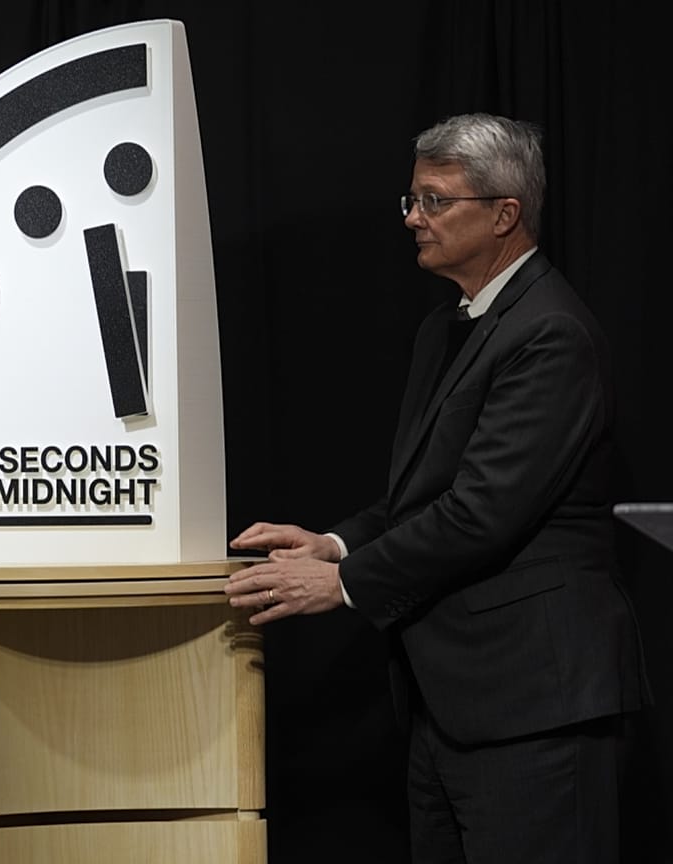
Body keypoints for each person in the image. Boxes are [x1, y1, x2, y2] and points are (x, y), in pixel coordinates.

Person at [223, 113, 648, 862]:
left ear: (505, 214)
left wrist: (343, 582)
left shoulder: (552, 334)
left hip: (533, 706)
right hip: (446, 705)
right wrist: (333, 541)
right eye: (411, 201)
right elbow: (422, 495)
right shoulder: (445, 329)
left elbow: (481, 513)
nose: (414, 220)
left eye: (435, 201)